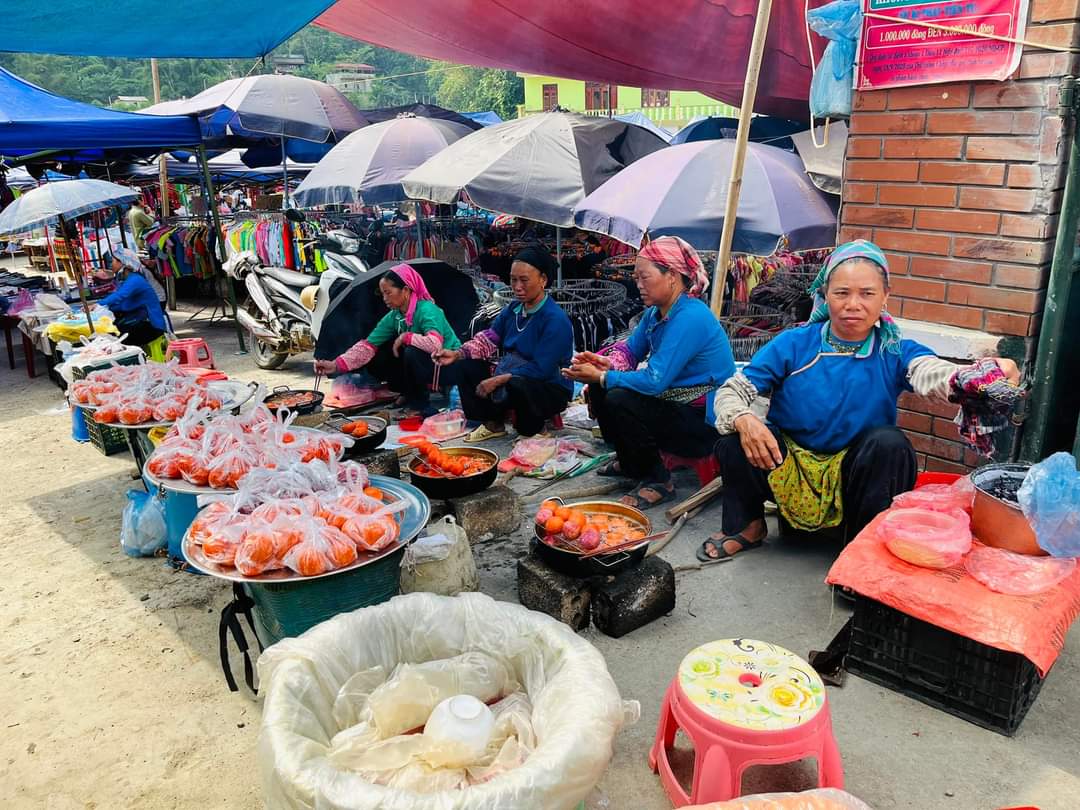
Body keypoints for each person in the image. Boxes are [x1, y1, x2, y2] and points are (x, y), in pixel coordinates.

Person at [703, 239, 1021, 563]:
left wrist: (977, 376)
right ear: (825, 294)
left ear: (885, 296)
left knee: (890, 444)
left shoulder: (894, 350)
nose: (853, 304)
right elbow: (731, 391)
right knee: (733, 441)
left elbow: (932, 373)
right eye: (842, 293)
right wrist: (745, 419)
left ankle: (861, 549)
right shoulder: (794, 344)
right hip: (790, 461)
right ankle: (748, 526)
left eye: (867, 293)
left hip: (855, 470)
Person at [563, 236, 736, 510]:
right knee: (602, 387)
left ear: (672, 276)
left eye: (645, 277)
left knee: (618, 397)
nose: (638, 284)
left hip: (704, 424)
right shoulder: (655, 315)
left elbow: (655, 381)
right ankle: (631, 462)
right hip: (676, 407)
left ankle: (658, 481)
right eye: (636, 278)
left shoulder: (690, 317)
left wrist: (604, 376)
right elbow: (630, 351)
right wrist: (604, 364)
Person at [435, 244, 573, 442]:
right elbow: (490, 338)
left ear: (543, 279)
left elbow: (542, 369)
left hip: (548, 385)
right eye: (513, 279)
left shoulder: (555, 319)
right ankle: (493, 423)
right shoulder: (514, 309)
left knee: (518, 382)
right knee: (466, 365)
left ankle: (534, 431)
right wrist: (458, 354)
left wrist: (501, 379)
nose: (517, 286)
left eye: (524, 280)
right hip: (513, 373)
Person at [314, 264, 461, 416]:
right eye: (382, 294)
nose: (385, 299)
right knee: (384, 348)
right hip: (427, 366)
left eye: (388, 293)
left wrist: (406, 337)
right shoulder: (394, 316)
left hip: (449, 366)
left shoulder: (427, 310)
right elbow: (367, 346)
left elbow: (435, 345)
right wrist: (335, 365)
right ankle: (407, 392)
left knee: (411, 350)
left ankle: (420, 405)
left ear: (405, 290)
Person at [95, 248, 168, 346]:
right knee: (112, 330)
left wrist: (98, 304)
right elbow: (124, 304)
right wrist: (106, 307)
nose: (111, 264)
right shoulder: (127, 279)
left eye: (113, 261)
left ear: (123, 262)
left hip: (152, 326)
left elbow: (120, 295)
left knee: (113, 336)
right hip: (140, 319)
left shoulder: (135, 279)